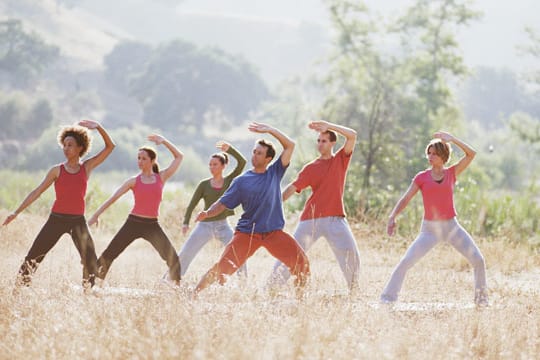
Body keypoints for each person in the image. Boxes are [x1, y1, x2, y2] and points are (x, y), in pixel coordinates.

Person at [194, 122, 310, 294]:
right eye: (254, 152)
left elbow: (290, 145)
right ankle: (194, 294)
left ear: (268, 159)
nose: (255, 155)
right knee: (223, 269)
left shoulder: (275, 172)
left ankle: (301, 302)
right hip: (248, 233)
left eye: (260, 153)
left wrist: (271, 130)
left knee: (302, 264)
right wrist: (208, 213)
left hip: (274, 233)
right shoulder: (241, 181)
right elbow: (223, 203)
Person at [2, 120, 115, 291]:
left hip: (78, 221)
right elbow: (37, 192)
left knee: (90, 260)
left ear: (80, 148)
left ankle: (89, 292)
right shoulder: (57, 170)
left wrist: (98, 127)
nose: (66, 148)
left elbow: (110, 147)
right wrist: (16, 212)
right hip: (56, 220)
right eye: (64, 145)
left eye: (70, 145)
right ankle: (18, 291)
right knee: (33, 257)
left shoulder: (86, 167)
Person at [380, 131, 488, 306]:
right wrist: (393, 216)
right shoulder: (421, 177)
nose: (430, 156)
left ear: (443, 156)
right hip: (429, 230)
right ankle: (387, 299)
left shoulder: (452, 173)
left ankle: (481, 302)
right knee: (406, 261)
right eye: (429, 153)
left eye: (434, 153)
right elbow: (406, 198)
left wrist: (452, 139)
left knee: (478, 260)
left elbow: (471, 154)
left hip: (451, 227)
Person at [269, 120, 361, 292]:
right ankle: (271, 288)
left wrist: (329, 126)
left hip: (336, 219)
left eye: (324, 141)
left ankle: (354, 292)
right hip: (310, 220)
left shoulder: (341, 159)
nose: (320, 144)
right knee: (292, 254)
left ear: (332, 143)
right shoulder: (311, 168)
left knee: (351, 254)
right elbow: (292, 188)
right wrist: (273, 204)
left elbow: (352, 135)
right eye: (318, 141)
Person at [88, 134, 182, 286]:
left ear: (152, 161)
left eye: (144, 158)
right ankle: (90, 285)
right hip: (133, 223)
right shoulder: (133, 181)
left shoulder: (161, 177)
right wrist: (96, 215)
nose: (140, 161)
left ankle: (178, 290)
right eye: (138, 158)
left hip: (152, 225)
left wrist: (164, 142)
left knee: (173, 258)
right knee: (109, 254)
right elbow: (113, 198)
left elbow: (179, 157)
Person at [174, 140, 247, 278]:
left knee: (238, 252)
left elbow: (242, 162)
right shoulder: (204, 185)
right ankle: (171, 280)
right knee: (185, 253)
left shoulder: (229, 181)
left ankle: (243, 283)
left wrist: (230, 150)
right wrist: (186, 222)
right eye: (210, 165)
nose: (211, 167)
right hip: (205, 226)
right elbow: (192, 204)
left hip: (223, 225)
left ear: (223, 166)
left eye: (215, 164)